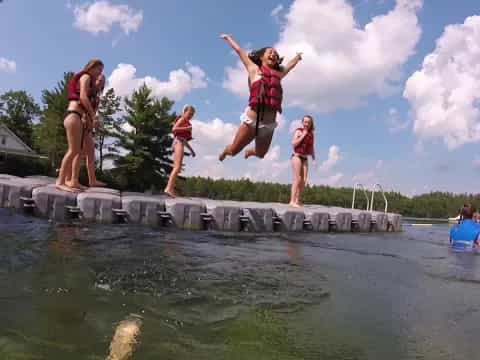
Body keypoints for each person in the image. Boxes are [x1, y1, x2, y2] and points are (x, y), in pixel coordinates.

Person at [218, 34, 302, 161]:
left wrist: (297, 57)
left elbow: (289, 66)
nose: (273, 54)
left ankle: (250, 152)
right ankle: (226, 150)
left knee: (261, 154)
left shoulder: (278, 74)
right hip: (251, 123)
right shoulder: (253, 69)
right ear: (262, 56)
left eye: (275, 54)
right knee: (233, 151)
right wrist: (229, 38)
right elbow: (239, 51)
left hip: (268, 125)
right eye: (270, 52)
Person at [56, 59, 104, 192]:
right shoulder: (86, 76)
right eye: (99, 70)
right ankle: (60, 181)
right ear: (92, 67)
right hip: (73, 115)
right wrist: (94, 117)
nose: (99, 73)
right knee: (73, 150)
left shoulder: (88, 81)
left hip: (76, 116)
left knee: (76, 150)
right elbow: (83, 97)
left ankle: (71, 181)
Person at [164, 105, 196, 198]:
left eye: (192, 115)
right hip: (178, 142)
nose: (191, 116)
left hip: (180, 142)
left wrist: (191, 150)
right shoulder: (182, 119)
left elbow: (184, 139)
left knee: (177, 167)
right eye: (189, 114)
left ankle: (170, 188)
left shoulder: (187, 122)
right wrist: (186, 129)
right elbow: (174, 129)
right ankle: (169, 188)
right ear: (184, 112)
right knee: (177, 167)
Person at [289, 115, 316, 207]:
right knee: (297, 179)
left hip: (305, 158)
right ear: (302, 122)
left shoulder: (311, 134)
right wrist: (302, 136)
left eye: (308, 122)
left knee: (303, 180)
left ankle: (297, 200)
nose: (306, 124)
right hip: (297, 156)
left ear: (311, 124)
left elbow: (312, 147)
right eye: (305, 122)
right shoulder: (298, 131)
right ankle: (292, 201)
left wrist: (314, 159)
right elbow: (293, 144)